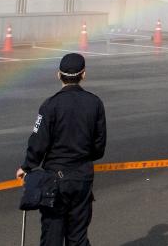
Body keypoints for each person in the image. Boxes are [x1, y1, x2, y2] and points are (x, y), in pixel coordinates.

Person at [16, 52, 107, 246]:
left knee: (52, 236)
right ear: (83, 75)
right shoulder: (95, 103)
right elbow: (99, 146)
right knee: (78, 237)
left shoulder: (50, 105)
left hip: (55, 180)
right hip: (82, 176)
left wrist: (27, 166)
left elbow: (38, 141)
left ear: (59, 75)